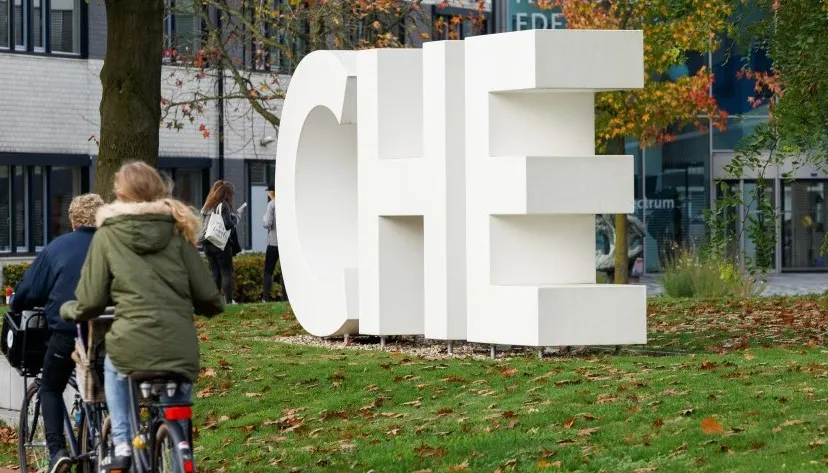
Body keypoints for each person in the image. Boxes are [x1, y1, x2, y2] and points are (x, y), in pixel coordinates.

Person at [60, 162, 225, 471]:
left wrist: (70, 310)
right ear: (160, 191)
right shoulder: (178, 233)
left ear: (120, 195)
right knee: (177, 411)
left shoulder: (108, 235)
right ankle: (178, 448)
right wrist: (205, 305)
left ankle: (122, 443)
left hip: (131, 348)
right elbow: (209, 298)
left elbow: (91, 301)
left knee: (113, 366)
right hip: (180, 349)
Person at [11, 193, 104, 473]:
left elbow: (28, 291)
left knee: (51, 387)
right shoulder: (118, 246)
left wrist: (18, 302)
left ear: (73, 221)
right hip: (113, 333)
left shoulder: (57, 247)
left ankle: (57, 452)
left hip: (69, 332)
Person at [200, 180, 239, 303]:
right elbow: (228, 225)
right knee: (226, 273)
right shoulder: (224, 205)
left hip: (207, 242)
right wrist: (236, 219)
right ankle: (228, 301)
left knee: (215, 273)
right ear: (227, 194)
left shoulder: (207, 205)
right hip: (220, 244)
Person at [262, 186, 286, 302]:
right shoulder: (287, 203)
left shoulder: (272, 204)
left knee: (268, 271)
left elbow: (267, 223)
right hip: (286, 244)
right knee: (285, 272)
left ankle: (266, 298)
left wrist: (264, 218)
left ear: (271, 192)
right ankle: (285, 298)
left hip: (273, 242)